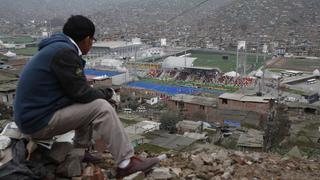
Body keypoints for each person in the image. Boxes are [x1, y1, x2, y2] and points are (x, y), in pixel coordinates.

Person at [14, 15, 159, 178]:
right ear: (87, 39)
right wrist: (107, 93)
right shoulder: (64, 53)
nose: (91, 44)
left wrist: (92, 91)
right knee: (100, 107)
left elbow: (76, 91)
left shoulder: (57, 48)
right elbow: (81, 94)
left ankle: (79, 153)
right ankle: (126, 162)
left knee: (89, 104)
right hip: (37, 123)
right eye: (92, 40)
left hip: (33, 118)